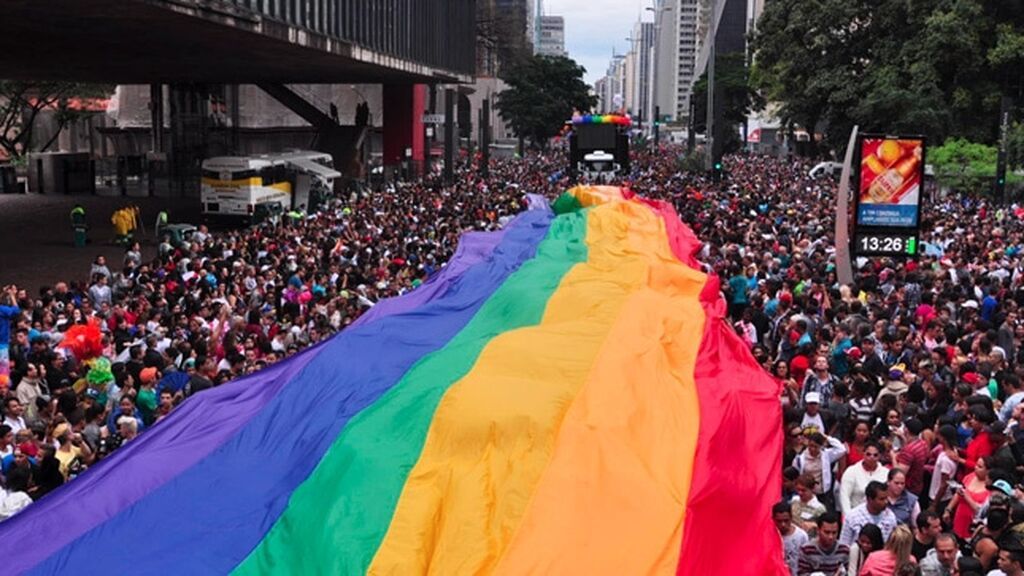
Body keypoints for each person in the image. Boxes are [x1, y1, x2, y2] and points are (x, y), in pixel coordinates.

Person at [794, 432, 847, 510]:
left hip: (823, 493)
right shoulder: (800, 458)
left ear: (820, 446)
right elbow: (796, 473)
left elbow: (842, 449)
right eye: (811, 446)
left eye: (816, 447)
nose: (813, 449)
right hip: (807, 493)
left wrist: (827, 437)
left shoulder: (826, 455)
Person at [944, 456, 991, 540]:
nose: (976, 468)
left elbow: (981, 511)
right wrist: (948, 509)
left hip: (972, 526)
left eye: (980, 467)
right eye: (976, 465)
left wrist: (967, 497)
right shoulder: (969, 477)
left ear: (988, 471)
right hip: (959, 520)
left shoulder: (990, 488)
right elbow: (958, 494)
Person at [841, 481, 899, 547]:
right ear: (869, 499)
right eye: (881, 499)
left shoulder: (890, 517)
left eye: (886, 498)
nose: (886, 502)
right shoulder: (852, 516)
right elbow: (844, 544)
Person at [840, 441, 890, 514]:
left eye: (875, 455)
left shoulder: (886, 473)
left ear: (880, 456)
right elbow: (844, 496)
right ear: (863, 454)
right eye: (868, 454)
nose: (871, 457)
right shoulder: (851, 471)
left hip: (880, 514)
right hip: (855, 514)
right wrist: (848, 516)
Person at [797, 512, 850, 576]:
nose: (831, 537)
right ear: (818, 530)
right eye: (827, 532)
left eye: (834, 533)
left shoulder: (844, 550)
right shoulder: (807, 550)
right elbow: (802, 573)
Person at [774, 501, 808, 575]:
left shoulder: (801, 536)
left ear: (791, 518)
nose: (783, 524)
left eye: (786, 520)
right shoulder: (769, 537)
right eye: (779, 521)